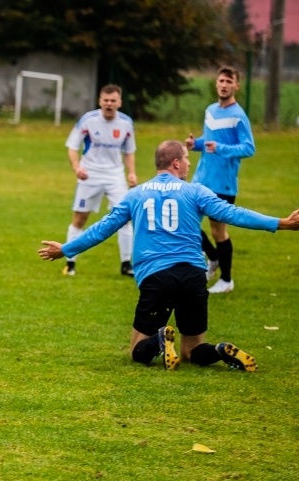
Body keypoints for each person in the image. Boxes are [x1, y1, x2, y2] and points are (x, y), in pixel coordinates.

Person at [38, 140, 299, 371]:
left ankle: (159, 339)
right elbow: (233, 213)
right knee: (192, 350)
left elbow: (102, 228)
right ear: (176, 163)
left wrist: (66, 249)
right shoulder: (196, 191)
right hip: (194, 276)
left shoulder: (136, 194)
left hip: (157, 277)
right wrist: (281, 223)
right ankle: (217, 351)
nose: (188, 164)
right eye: (186, 158)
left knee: (137, 351)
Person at [186, 65, 255, 294]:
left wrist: (222, 148)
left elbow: (248, 148)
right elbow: (210, 139)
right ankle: (213, 258)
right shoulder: (210, 110)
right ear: (216, 84)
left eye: (229, 81)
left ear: (236, 85)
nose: (224, 85)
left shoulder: (238, 116)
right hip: (201, 178)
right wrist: (195, 144)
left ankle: (226, 280)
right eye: (221, 81)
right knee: (188, 222)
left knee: (218, 231)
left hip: (223, 182)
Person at [62, 84, 138, 277]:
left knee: (124, 218)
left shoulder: (126, 123)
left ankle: (126, 263)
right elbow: (72, 147)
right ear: (100, 101)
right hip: (90, 174)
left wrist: (132, 173)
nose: (109, 104)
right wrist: (77, 168)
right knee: (80, 217)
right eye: (106, 100)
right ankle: (70, 262)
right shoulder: (88, 120)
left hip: (115, 176)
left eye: (113, 101)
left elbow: (129, 151)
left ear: (119, 102)